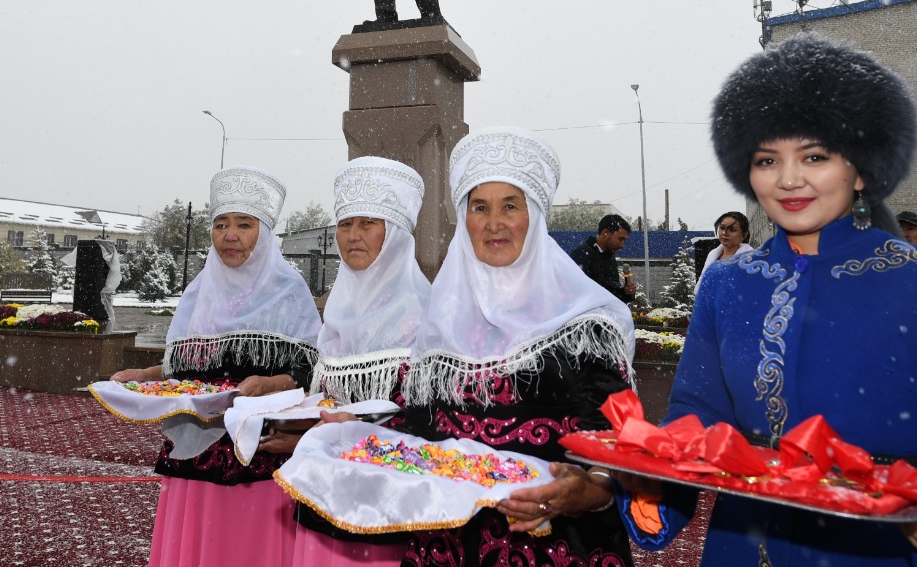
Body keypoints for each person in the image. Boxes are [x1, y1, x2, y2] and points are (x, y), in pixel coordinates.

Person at [615, 34, 917, 566]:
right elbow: (696, 417)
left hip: (883, 548)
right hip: (741, 545)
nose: (788, 179)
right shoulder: (729, 283)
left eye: (815, 156)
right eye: (766, 159)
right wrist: (650, 484)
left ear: (862, 168)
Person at [396, 127, 637, 566]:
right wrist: (351, 434)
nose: (494, 223)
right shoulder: (440, 324)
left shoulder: (586, 327)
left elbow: (616, 440)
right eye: (479, 207)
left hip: (555, 543)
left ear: (536, 217)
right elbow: (421, 433)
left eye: (511, 205)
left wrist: (593, 488)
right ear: (464, 219)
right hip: (447, 544)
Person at [110, 166, 322, 567]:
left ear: (265, 233)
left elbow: (310, 373)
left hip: (259, 454)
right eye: (221, 224)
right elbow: (187, 368)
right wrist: (147, 376)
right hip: (197, 453)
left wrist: (268, 385)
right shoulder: (200, 292)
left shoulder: (289, 293)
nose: (230, 235)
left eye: (244, 224)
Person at [280, 156, 432, 566]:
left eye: (368, 223)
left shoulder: (426, 315)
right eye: (345, 224)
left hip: (389, 502)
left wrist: (357, 434)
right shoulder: (337, 313)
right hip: (325, 491)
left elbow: (432, 421)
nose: (353, 236)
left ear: (395, 234)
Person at [570, 214, 636, 303]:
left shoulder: (610, 257)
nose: (622, 245)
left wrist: (626, 293)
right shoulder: (581, 255)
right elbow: (576, 293)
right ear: (605, 233)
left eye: (624, 240)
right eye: (620, 239)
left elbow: (611, 293)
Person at [696, 211, 753, 286]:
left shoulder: (751, 259)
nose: (725, 233)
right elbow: (702, 286)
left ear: (744, 234)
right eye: (722, 228)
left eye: (732, 230)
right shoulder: (712, 255)